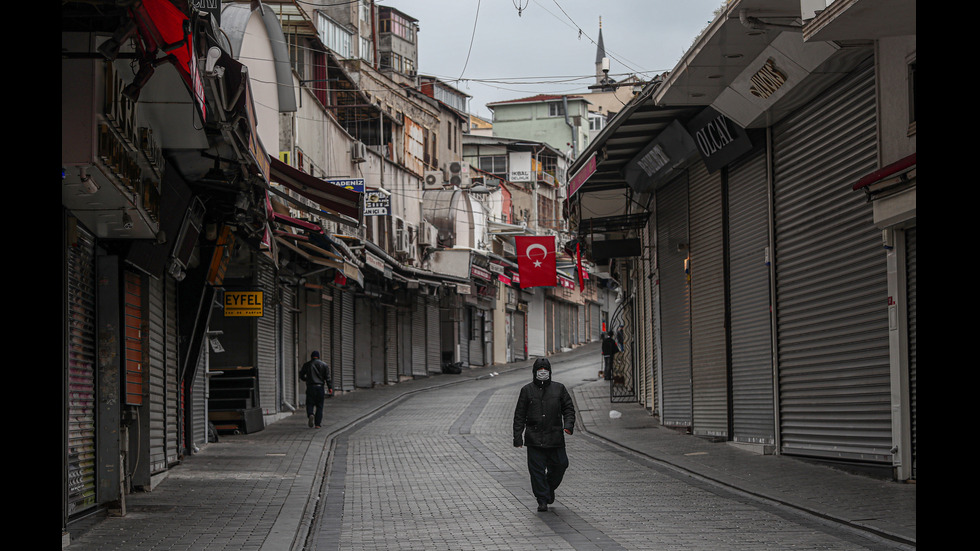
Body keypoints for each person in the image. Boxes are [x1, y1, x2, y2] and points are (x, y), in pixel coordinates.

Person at [513, 358, 575, 512]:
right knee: (536, 471)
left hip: (555, 437)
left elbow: (569, 409)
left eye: (545, 369)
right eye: (539, 369)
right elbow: (519, 415)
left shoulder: (559, 389)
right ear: (534, 372)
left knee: (561, 464)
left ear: (550, 372)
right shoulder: (527, 391)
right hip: (534, 438)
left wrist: (568, 426)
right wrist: (517, 436)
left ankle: (548, 487)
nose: (542, 372)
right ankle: (542, 499)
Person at [299, 350, 333, 428]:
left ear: (311, 357)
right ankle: (317, 424)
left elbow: (301, 375)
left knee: (309, 403)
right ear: (318, 357)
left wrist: (306, 379)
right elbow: (327, 377)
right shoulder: (324, 365)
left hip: (310, 387)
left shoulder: (307, 365)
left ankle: (311, 414)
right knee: (319, 406)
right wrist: (330, 387)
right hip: (320, 387)